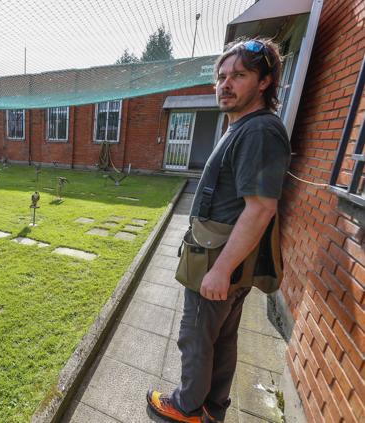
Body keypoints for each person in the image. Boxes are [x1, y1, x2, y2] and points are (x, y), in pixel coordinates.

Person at [146, 38, 290, 423]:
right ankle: (213, 406)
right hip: (227, 257)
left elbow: (260, 209)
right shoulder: (245, 127)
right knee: (221, 338)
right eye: (221, 77)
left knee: (195, 336)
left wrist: (221, 269)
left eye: (239, 75)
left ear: (264, 82)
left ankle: (185, 406)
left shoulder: (258, 132)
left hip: (219, 259)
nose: (225, 84)